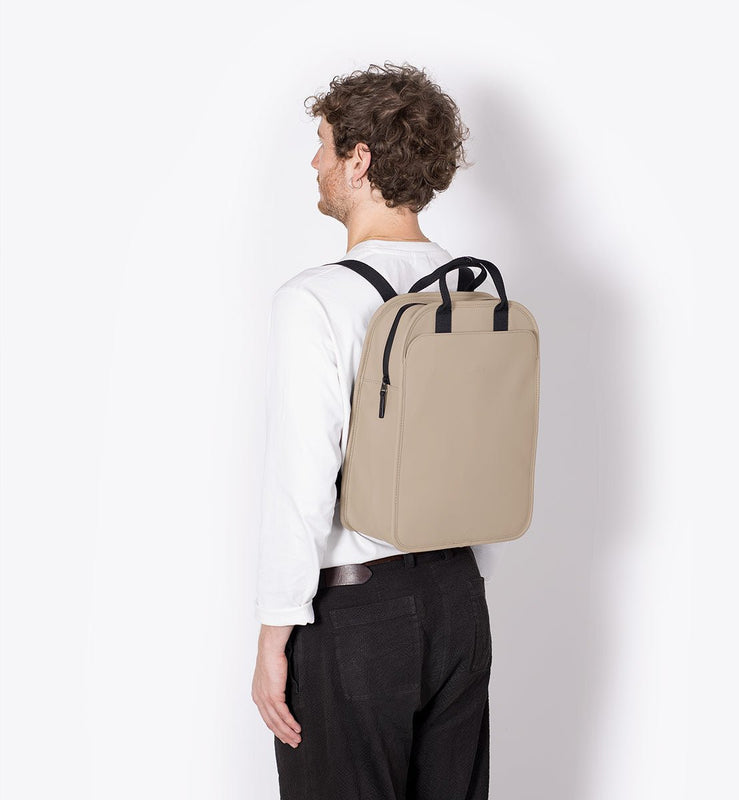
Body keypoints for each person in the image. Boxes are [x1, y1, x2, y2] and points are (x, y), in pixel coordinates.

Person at [251, 61, 505, 800]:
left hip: (357, 616)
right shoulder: (475, 291)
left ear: (359, 159)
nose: (315, 162)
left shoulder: (315, 300)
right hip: (461, 603)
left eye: (325, 144)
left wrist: (275, 634)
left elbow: (302, 482)